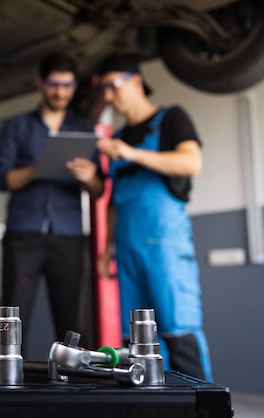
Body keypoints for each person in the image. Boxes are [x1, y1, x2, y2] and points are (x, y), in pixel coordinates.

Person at [95, 55, 213, 381]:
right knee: (137, 343)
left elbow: (191, 163)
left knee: (179, 331)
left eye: (111, 86)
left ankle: (204, 407)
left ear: (134, 80)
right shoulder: (118, 137)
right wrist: (107, 249)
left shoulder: (171, 118)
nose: (107, 96)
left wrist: (132, 154)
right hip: (128, 250)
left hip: (166, 247)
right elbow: (114, 200)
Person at [0, 52, 104, 350]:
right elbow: (2, 180)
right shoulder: (16, 126)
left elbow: (98, 190)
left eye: (67, 85)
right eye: (54, 84)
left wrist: (89, 176)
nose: (60, 92)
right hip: (22, 234)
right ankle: (7, 386)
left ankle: (74, 388)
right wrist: (40, 167)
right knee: (12, 321)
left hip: (68, 235)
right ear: (40, 83)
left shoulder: (84, 130)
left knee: (73, 323)